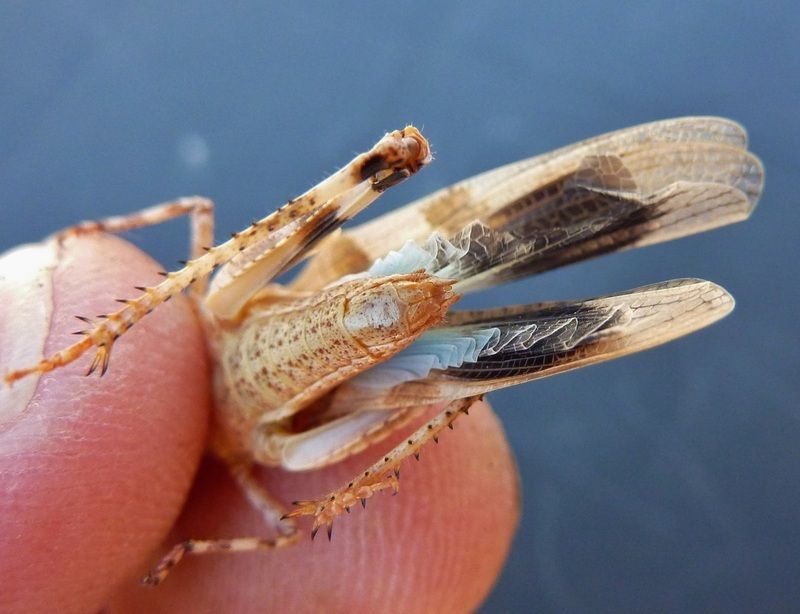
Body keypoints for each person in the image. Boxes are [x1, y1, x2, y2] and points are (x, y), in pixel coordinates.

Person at [0, 233, 519, 612]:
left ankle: (67, 356)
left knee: (289, 526)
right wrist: (189, 548)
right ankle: (68, 355)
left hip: (250, 368)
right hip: (268, 391)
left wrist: (190, 547)